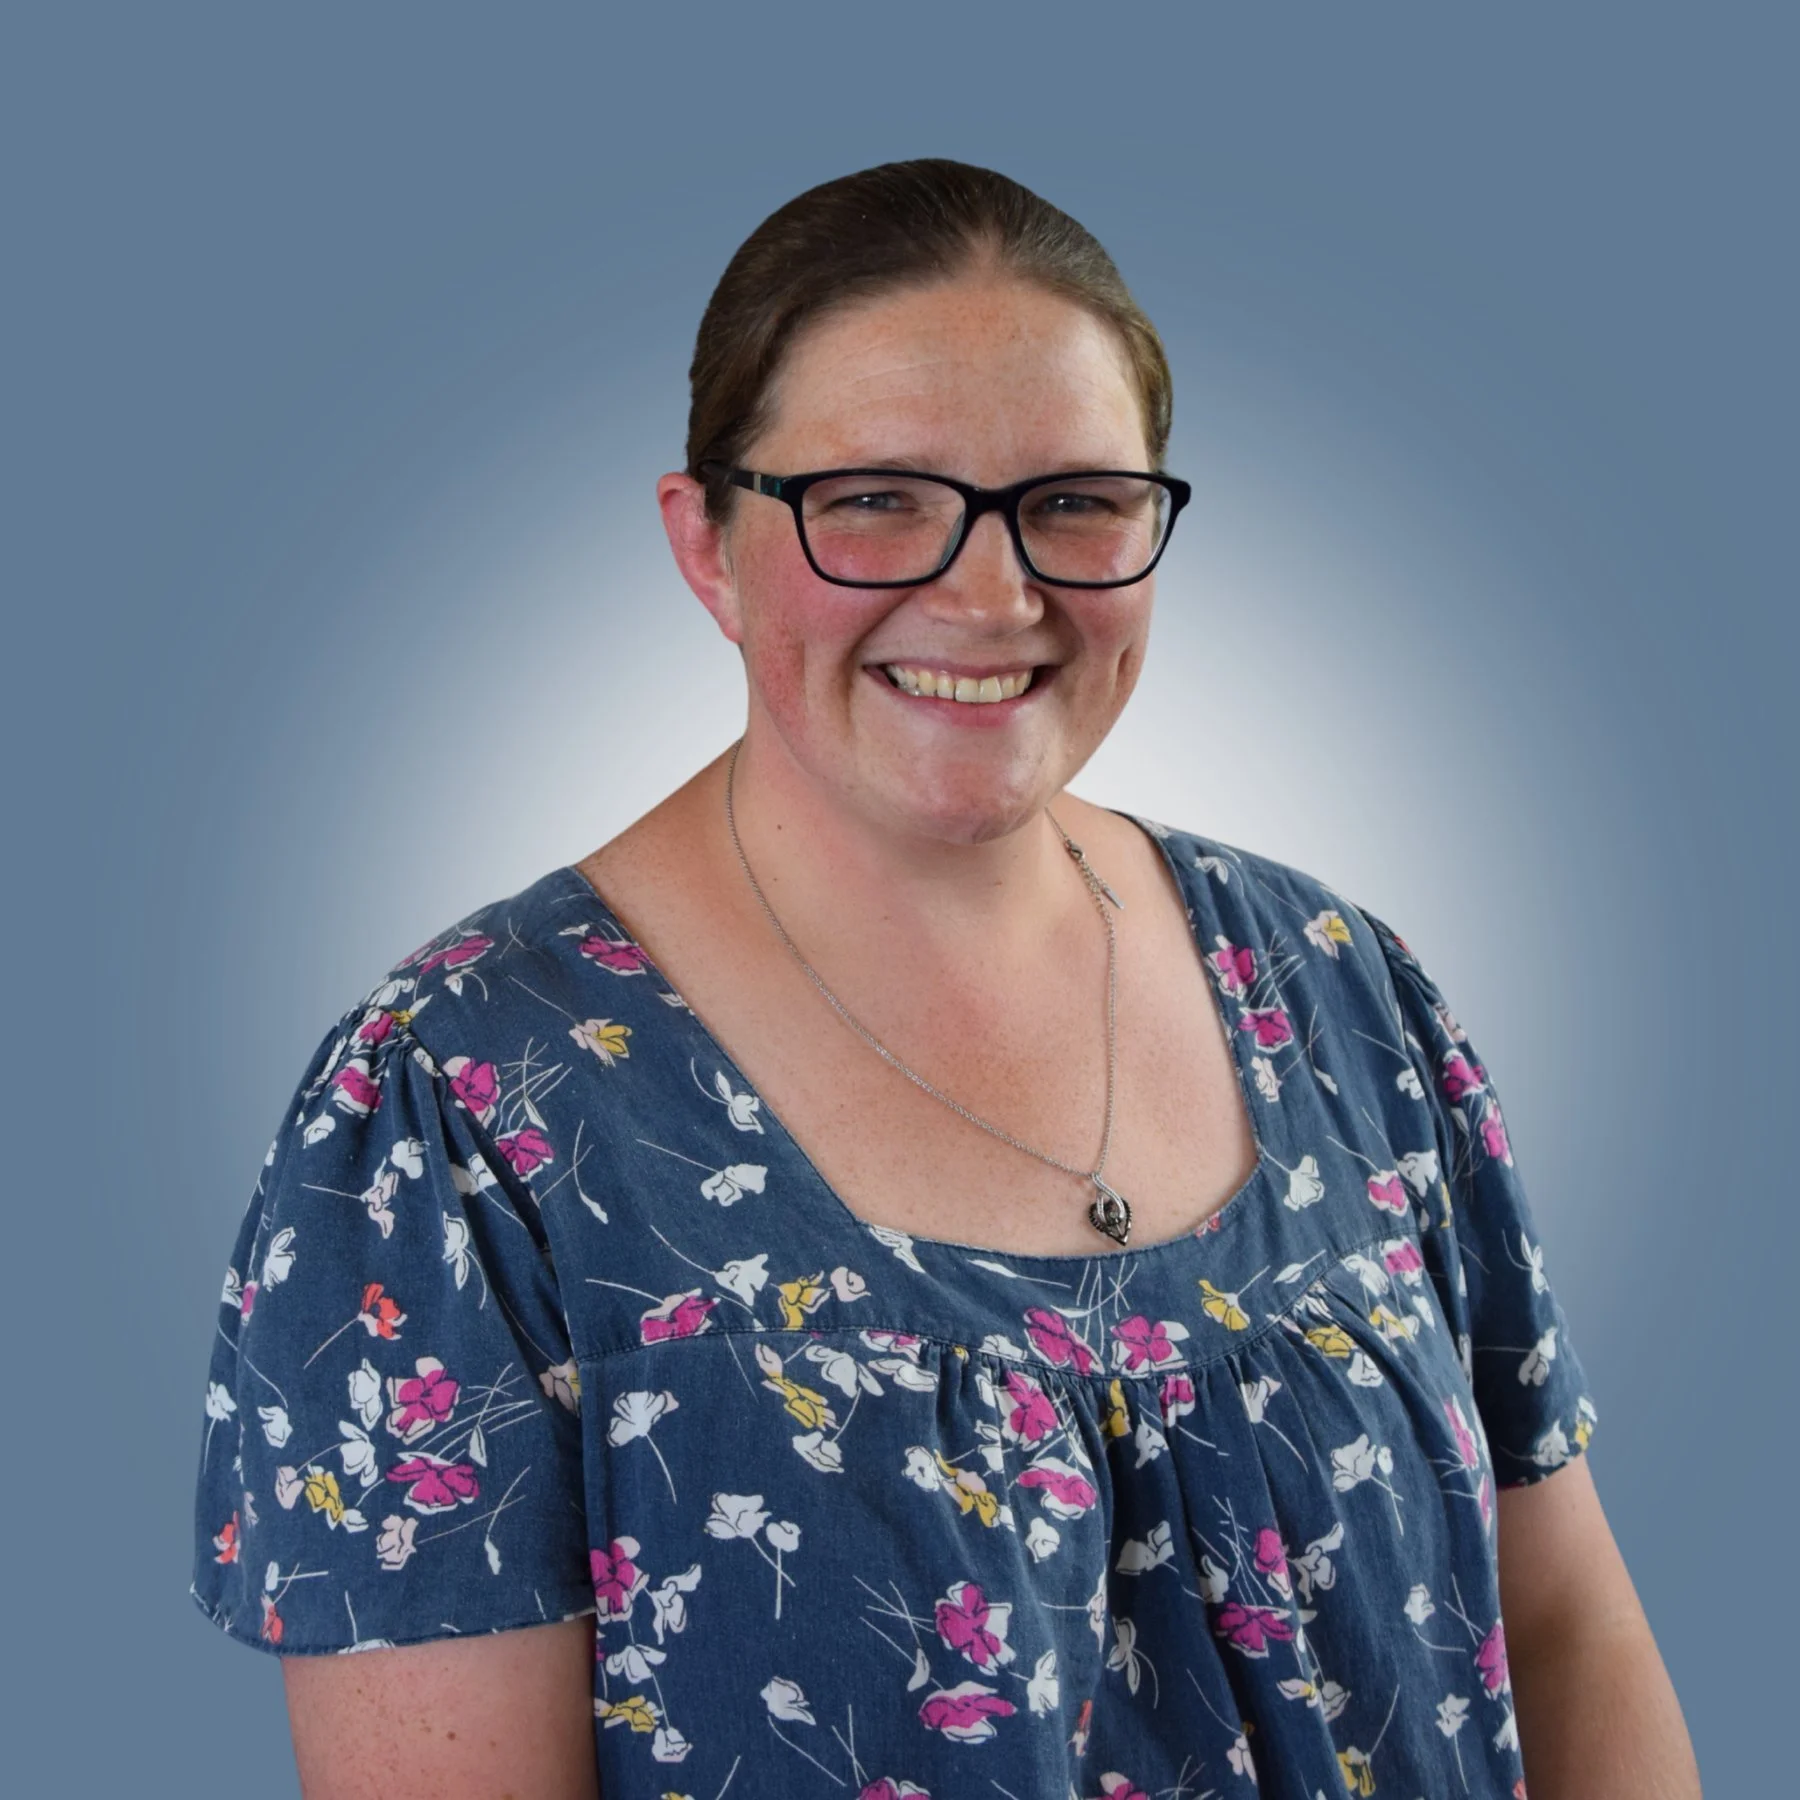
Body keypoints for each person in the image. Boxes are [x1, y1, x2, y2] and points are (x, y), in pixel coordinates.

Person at [189, 159, 1699, 1799]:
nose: (992, 593)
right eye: (874, 499)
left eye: (1077, 501)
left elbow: (1565, 1637)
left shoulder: (1337, 987)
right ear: (707, 545)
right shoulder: (458, 1108)